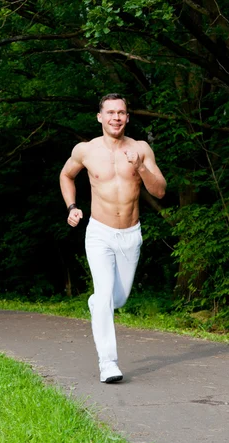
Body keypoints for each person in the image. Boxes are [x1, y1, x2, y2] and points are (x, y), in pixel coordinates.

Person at [59, 93, 167, 383]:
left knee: (117, 299)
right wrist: (72, 207)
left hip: (131, 234)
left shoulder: (140, 148)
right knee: (105, 293)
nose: (116, 117)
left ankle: (100, 303)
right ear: (100, 117)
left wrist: (140, 167)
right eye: (110, 112)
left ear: (127, 117)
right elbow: (66, 176)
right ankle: (108, 363)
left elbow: (159, 191)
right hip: (100, 232)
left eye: (121, 112)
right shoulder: (86, 150)